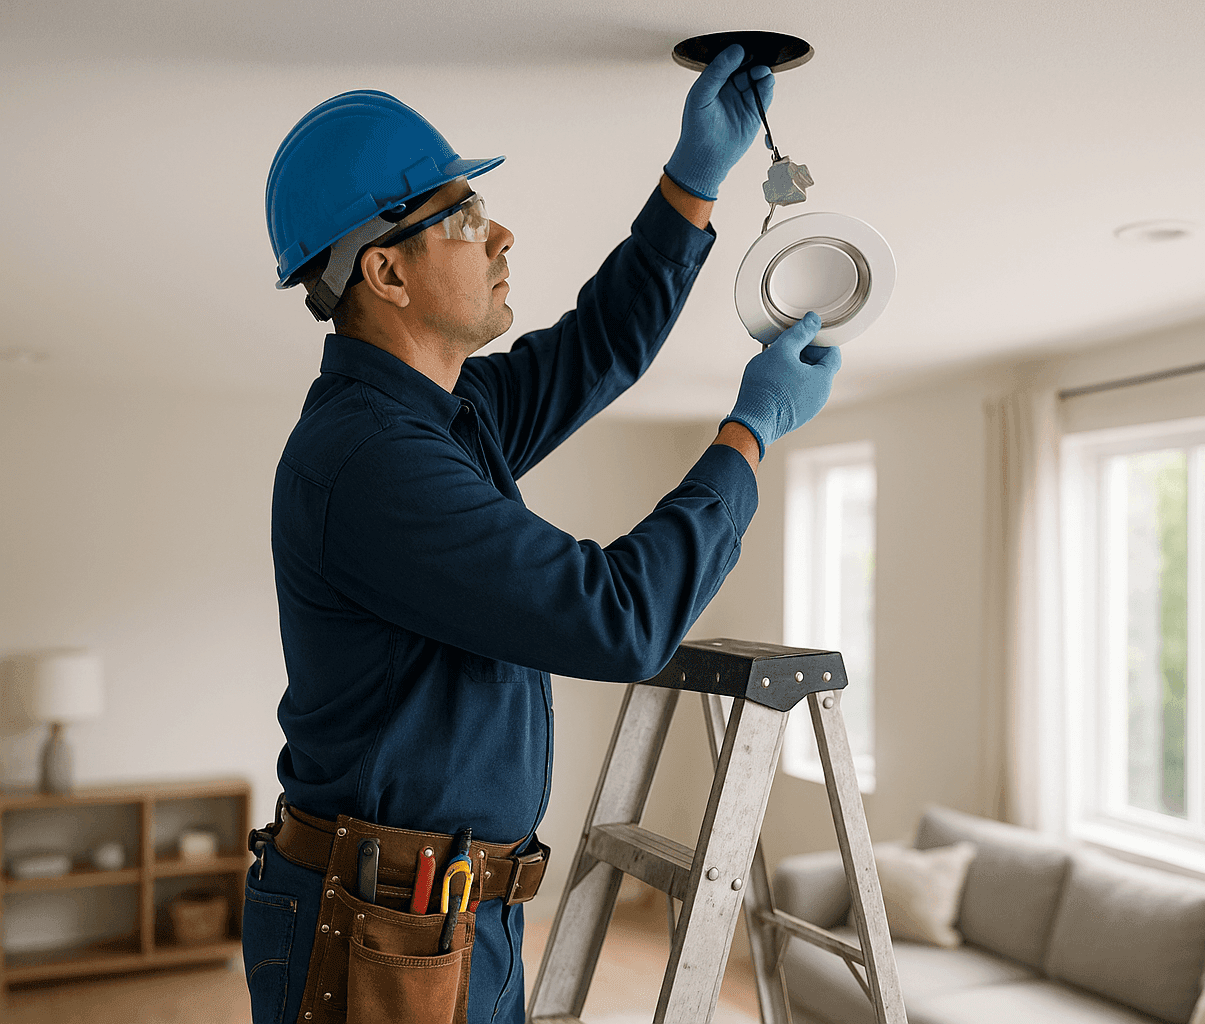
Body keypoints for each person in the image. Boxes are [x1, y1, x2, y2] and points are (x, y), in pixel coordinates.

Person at [244, 46, 840, 1024]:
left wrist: (693, 181)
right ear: (386, 270)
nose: (502, 234)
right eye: (466, 218)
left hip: (446, 911)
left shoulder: (446, 415)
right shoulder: (372, 462)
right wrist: (750, 434)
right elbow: (617, 620)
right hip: (383, 926)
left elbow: (600, 345)